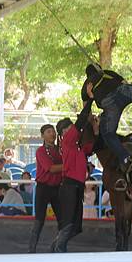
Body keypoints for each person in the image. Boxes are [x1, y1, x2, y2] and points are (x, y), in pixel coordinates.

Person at [52, 102, 99, 253]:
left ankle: (56, 249)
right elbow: (79, 124)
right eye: (69, 128)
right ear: (64, 132)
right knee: (69, 223)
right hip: (70, 186)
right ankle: (58, 252)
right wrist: (90, 100)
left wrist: (96, 128)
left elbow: (94, 146)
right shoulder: (67, 141)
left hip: (76, 186)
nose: (72, 129)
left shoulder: (77, 147)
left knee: (75, 225)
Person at [28, 124, 63, 253]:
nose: (52, 134)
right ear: (43, 135)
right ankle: (32, 249)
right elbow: (51, 168)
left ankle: (56, 247)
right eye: (49, 132)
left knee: (62, 220)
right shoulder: (41, 151)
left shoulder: (59, 150)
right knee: (39, 220)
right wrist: (70, 165)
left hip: (56, 187)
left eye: (53, 132)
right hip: (44, 187)